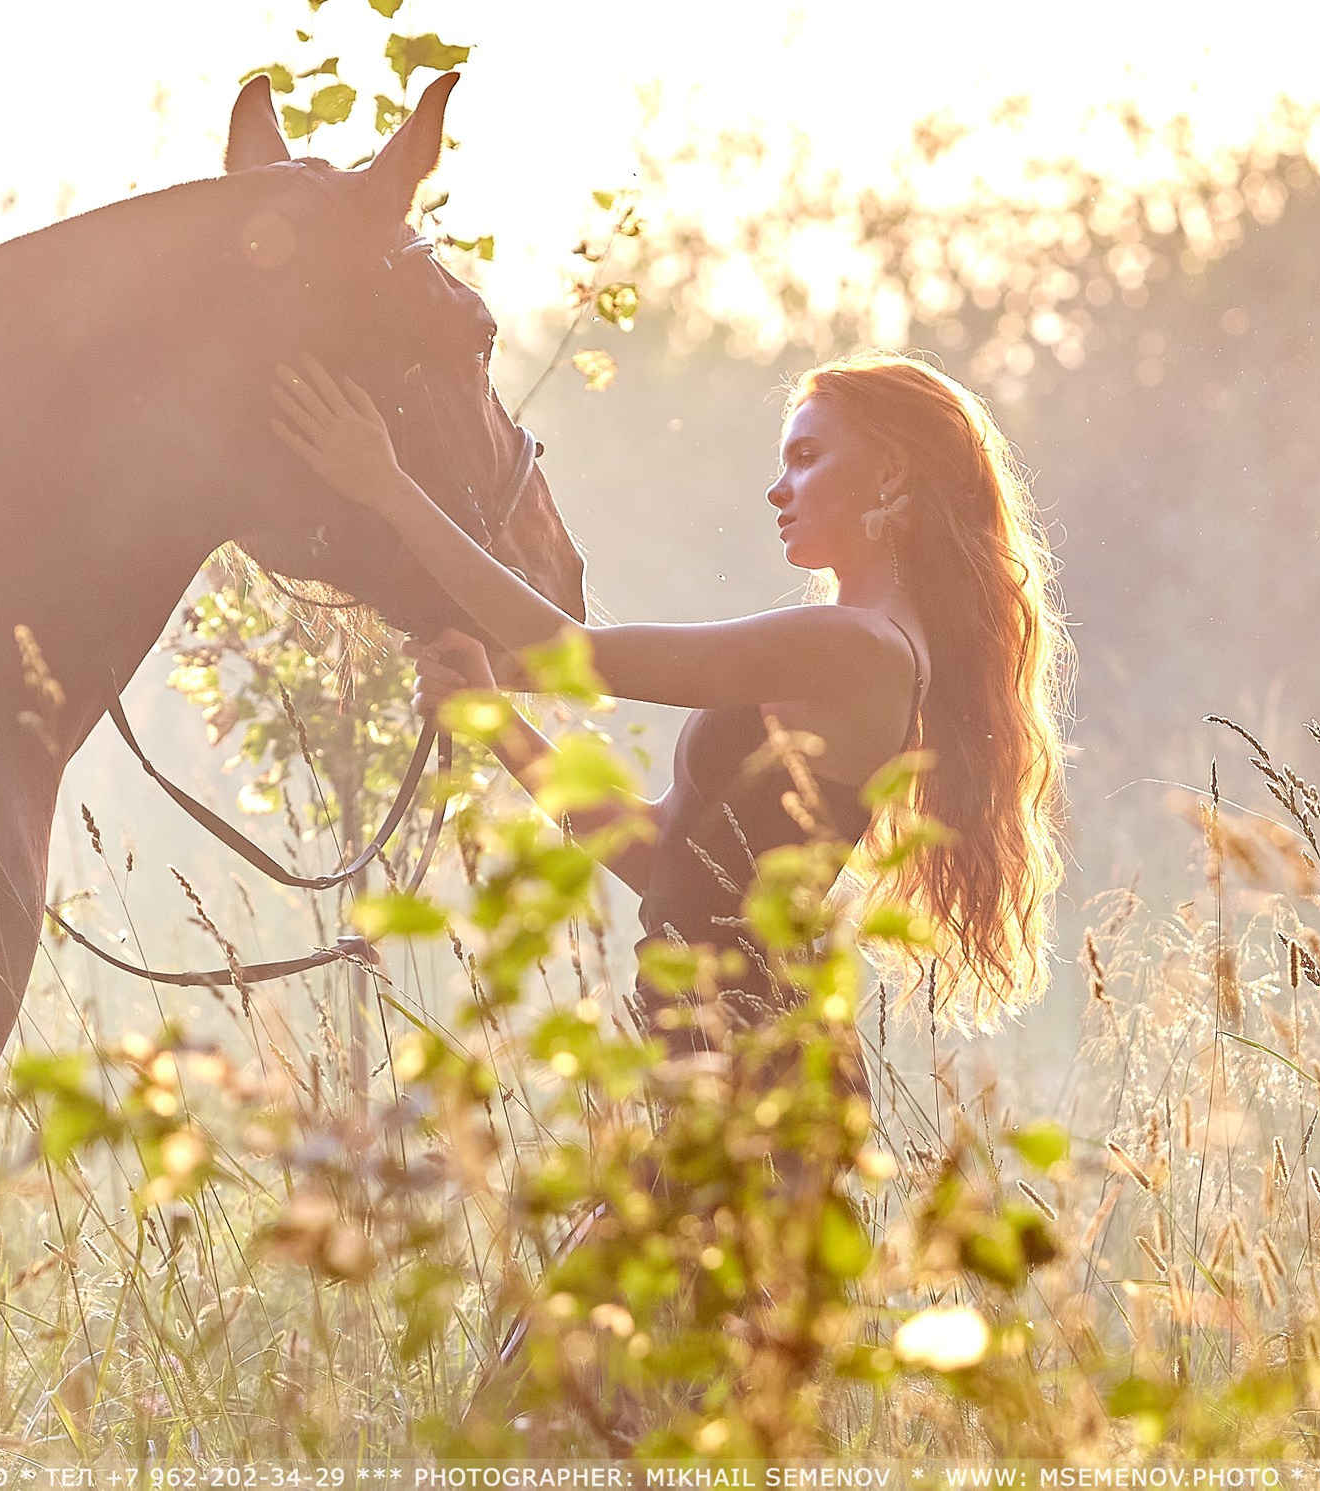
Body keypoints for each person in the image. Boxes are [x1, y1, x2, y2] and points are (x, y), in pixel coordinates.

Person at [268, 349, 1071, 1077]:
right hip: (713, 1048)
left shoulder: (855, 644)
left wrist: (386, 485)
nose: (776, 487)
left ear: (890, 471)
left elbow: (567, 650)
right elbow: (658, 860)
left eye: (806, 455)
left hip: (753, 1061)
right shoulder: (851, 645)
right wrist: (492, 716)